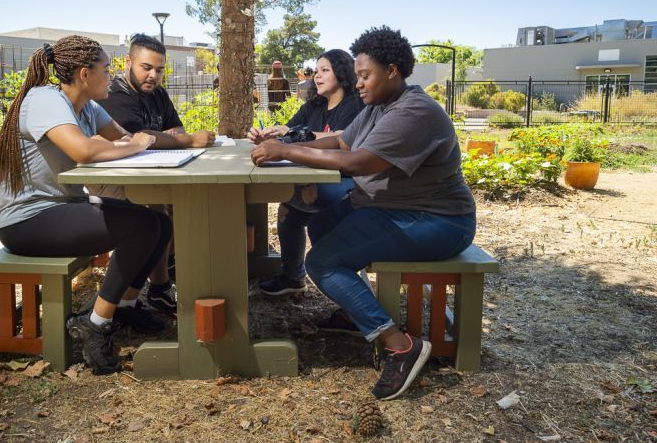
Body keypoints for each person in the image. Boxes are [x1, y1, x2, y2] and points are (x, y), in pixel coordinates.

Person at [250, 27, 476, 400]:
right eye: (356, 75)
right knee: (322, 223)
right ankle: (356, 310)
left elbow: (357, 162)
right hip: (390, 207)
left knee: (321, 263)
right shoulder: (377, 106)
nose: (357, 83)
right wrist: (289, 142)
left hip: (439, 221)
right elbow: (341, 142)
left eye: (364, 75)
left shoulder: (414, 112)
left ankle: (401, 346)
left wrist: (285, 152)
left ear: (392, 71)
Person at [0, 35, 183, 375]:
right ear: (84, 74)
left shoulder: (88, 106)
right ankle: (95, 323)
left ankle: (125, 306)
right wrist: (136, 145)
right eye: (106, 70)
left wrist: (138, 143)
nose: (110, 76)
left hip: (62, 208)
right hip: (28, 221)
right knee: (140, 227)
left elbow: (124, 139)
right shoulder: (45, 100)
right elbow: (85, 150)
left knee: (159, 222)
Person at [93, 34, 215, 317]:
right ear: (128, 62)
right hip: (114, 180)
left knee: (183, 201)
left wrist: (166, 138)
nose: (153, 75)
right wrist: (176, 139)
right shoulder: (115, 94)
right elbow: (137, 138)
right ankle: (159, 286)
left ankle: (167, 274)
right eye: (146, 67)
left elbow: (176, 130)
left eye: (159, 70)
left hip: (150, 172)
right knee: (157, 209)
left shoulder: (157, 94)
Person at [247, 49, 364, 296]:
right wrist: (267, 136)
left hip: (347, 179)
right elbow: (288, 129)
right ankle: (292, 277)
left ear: (342, 73)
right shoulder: (315, 104)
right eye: (316, 71)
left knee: (304, 196)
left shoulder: (354, 104)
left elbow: (342, 139)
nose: (317, 76)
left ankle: (332, 274)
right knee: (288, 209)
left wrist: (297, 138)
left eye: (325, 70)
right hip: (313, 174)